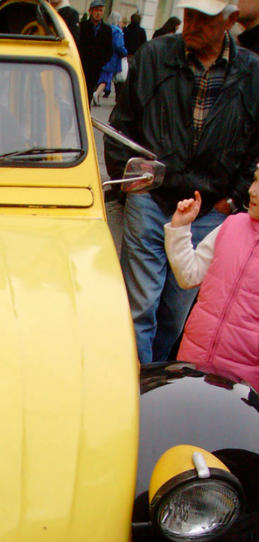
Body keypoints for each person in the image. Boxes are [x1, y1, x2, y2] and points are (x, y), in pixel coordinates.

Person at [104, 0, 259, 364]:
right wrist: (131, 180)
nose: (191, 25)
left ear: (230, 21)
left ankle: (157, 385)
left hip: (208, 209)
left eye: (203, 19)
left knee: (176, 312)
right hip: (152, 198)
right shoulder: (155, 56)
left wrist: (232, 200)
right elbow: (120, 125)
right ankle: (137, 387)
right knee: (139, 307)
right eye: (188, 15)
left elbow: (255, 145)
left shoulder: (251, 72)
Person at [164, 167, 259, 390]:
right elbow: (189, 275)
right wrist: (180, 228)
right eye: (254, 180)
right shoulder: (231, 226)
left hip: (242, 388)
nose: (252, 191)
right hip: (193, 365)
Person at [78, 0, 113, 103]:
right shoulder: (82, 26)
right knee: (79, 91)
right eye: (96, 10)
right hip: (82, 64)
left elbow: (109, 49)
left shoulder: (106, 29)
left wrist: (101, 62)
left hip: (96, 67)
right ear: (90, 11)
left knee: (88, 94)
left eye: (101, 11)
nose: (98, 13)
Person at [93, 11, 127, 104]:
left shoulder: (103, 28)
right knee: (106, 78)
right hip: (112, 58)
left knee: (101, 76)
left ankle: (97, 96)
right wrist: (125, 53)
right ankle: (97, 93)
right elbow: (119, 46)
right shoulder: (117, 31)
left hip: (101, 56)